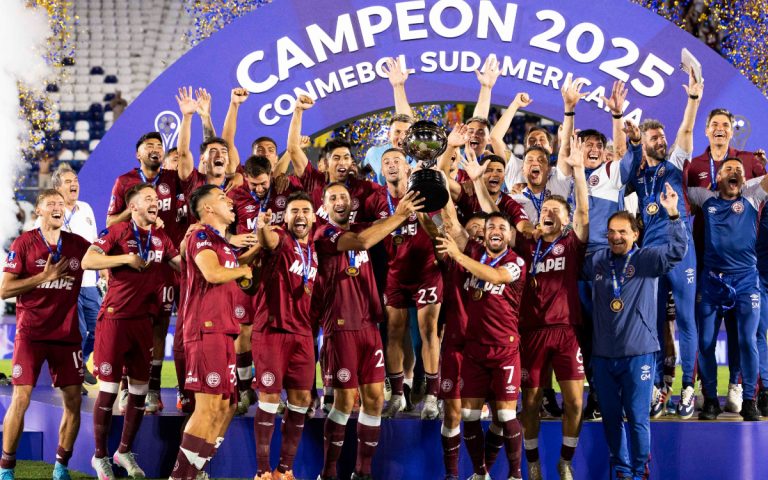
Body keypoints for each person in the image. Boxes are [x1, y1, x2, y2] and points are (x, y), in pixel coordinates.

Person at [314, 183, 424, 480]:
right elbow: (362, 242)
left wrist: (407, 210)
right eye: (332, 197)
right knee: (345, 401)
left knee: (375, 398)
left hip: (368, 326)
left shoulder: (362, 225)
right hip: (340, 327)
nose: (340, 201)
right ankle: (328, 473)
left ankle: (363, 473)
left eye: (344, 197)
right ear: (324, 205)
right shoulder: (323, 233)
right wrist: (399, 217)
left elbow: (376, 228)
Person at [584, 183, 687, 479]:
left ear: (635, 234)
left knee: (638, 418)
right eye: (612, 232)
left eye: (623, 232)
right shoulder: (598, 261)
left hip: (639, 353)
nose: (616, 237)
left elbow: (678, 251)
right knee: (612, 419)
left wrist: (673, 215)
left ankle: (640, 469)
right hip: (604, 355)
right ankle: (622, 471)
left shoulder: (646, 259)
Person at [82, 183, 181, 480]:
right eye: (149, 199)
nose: (157, 202)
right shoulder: (118, 232)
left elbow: (182, 264)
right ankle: (99, 457)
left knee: (139, 392)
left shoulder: (162, 236)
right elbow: (88, 260)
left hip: (143, 323)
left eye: (157, 198)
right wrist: (125, 259)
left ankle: (123, 451)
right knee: (110, 391)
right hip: (114, 320)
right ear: (134, 206)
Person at [0, 189, 91, 480]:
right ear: (38, 211)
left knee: (74, 400)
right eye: (50, 203)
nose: (57, 207)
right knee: (21, 398)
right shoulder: (24, 243)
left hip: (66, 336)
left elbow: (106, 259)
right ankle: (6, 468)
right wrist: (43, 277)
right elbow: (4, 290)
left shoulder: (78, 245)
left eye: (60, 204)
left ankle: (61, 466)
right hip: (31, 334)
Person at [631, 68, 703, 418]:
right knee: (654, 321)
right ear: (644, 143)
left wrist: (693, 100)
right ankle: (659, 387)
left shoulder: (675, 161)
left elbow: (687, 130)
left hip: (681, 249)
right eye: (655, 137)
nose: (662, 140)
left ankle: (688, 389)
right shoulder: (637, 175)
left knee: (686, 320)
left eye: (662, 135)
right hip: (650, 254)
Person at [169, 184, 253, 480]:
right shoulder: (201, 235)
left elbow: (226, 266)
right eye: (222, 198)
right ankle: (180, 476)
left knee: (226, 406)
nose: (230, 201)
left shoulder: (221, 241)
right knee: (206, 409)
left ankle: (197, 471)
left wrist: (254, 254)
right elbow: (213, 273)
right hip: (205, 329)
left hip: (224, 330)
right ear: (207, 209)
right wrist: (242, 271)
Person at [517, 136, 589, 480]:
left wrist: (577, 171)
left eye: (555, 212)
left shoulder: (572, 244)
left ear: (566, 218)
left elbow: (585, 213)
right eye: (544, 210)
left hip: (565, 331)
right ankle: (532, 462)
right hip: (530, 331)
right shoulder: (526, 245)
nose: (547, 214)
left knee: (575, 401)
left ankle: (565, 460)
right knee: (529, 401)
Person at [686, 107, 767, 412]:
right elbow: (672, 184)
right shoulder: (703, 197)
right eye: (727, 170)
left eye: (738, 171)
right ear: (717, 176)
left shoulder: (752, 196)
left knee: (747, 340)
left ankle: (749, 399)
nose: (733, 173)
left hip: (747, 280)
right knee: (706, 342)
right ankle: (709, 399)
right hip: (713, 281)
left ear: (745, 179)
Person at [437, 211, 527, 480]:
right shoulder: (475, 251)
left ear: (510, 235)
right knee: (468, 414)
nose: (496, 230)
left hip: (504, 351)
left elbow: (495, 277)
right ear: (485, 233)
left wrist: (457, 255)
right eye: (491, 227)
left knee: (505, 415)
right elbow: (452, 224)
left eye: (502, 227)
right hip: (474, 351)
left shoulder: (516, 262)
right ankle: (480, 474)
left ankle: (515, 475)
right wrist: (442, 176)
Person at [106, 131, 188, 414]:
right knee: (134, 324)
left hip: (167, 262)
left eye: (159, 146)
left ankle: (152, 388)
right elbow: (111, 222)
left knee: (159, 326)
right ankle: (127, 386)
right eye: (149, 146)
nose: (155, 149)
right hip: (136, 263)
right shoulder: (124, 181)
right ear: (138, 154)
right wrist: (139, 209)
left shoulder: (172, 178)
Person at [364, 149, 443, 419]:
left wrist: (423, 218)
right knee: (394, 332)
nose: (392, 165)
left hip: (426, 272)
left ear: (408, 168)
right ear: (382, 171)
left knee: (428, 330)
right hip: (395, 274)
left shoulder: (425, 193)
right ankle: (397, 394)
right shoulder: (374, 200)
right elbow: (365, 235)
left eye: (397, 160)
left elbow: (440, 234)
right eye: (386, 162)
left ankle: (433, 396)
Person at [252, 192, 318, 480]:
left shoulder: (314, 248)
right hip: (272, 331)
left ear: (314, 217)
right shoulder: (280, 238)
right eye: (294, 211)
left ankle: (285, 469)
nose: (300, 215)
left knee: (301, 399)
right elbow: (267, 240)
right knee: (268, 399)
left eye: (306, 210)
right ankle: (262, 471)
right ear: (285, 217)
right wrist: (261, 227)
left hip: (303, 334)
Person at [287, 95, 383, 219]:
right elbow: (293, 149)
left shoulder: (365, 189)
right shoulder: (314, 182)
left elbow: (393, 194)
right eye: (336, 158)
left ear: (351, 162)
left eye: (346, 157)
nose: (342, 162)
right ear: (326, 163)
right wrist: (298, 111)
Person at [50, 164, 101, 386]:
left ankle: (81, 364)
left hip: (89, 281)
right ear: (57, 187)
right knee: (77, 331)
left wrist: (104, 269)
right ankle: (73, 375)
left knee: (100, 328)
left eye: (76, 181)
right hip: (66, 283)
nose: (74, 185)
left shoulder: (86, 209)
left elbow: (96, 243)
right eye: (69, 182)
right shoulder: (51, 212)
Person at [362, 57, 415, 184]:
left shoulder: (419, 153)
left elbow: (406, 119)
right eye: (397, 132)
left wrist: (398, 86)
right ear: (388, 134)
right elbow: (360, 171)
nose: (402, 136)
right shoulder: (375, 153)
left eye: (406, 133)